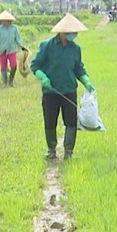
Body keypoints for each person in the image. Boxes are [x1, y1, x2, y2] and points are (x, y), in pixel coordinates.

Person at [30, 13, 94, 161]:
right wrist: (43, 77)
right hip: (50, 90)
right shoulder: (47, 46)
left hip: (69, 89)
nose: (73, 35)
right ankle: (51, 149)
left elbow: (78, 68)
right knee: (50, 120)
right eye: (71, 32)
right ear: (62, 32)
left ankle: (69, 151)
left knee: (71, 121)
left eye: (75, 32)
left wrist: (86, 81)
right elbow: (35, 65)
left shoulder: (75, 49)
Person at [0, 10, 24, 87]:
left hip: (12, 50)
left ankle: (11, 81)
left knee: (13, 65)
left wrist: (22, 47)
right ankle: (5, 83)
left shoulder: (14, 29)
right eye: (2, 20)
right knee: (3, 67)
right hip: (2, 51)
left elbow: (17, 39)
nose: (4, 22)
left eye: (5, 20)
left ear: (9, 20)